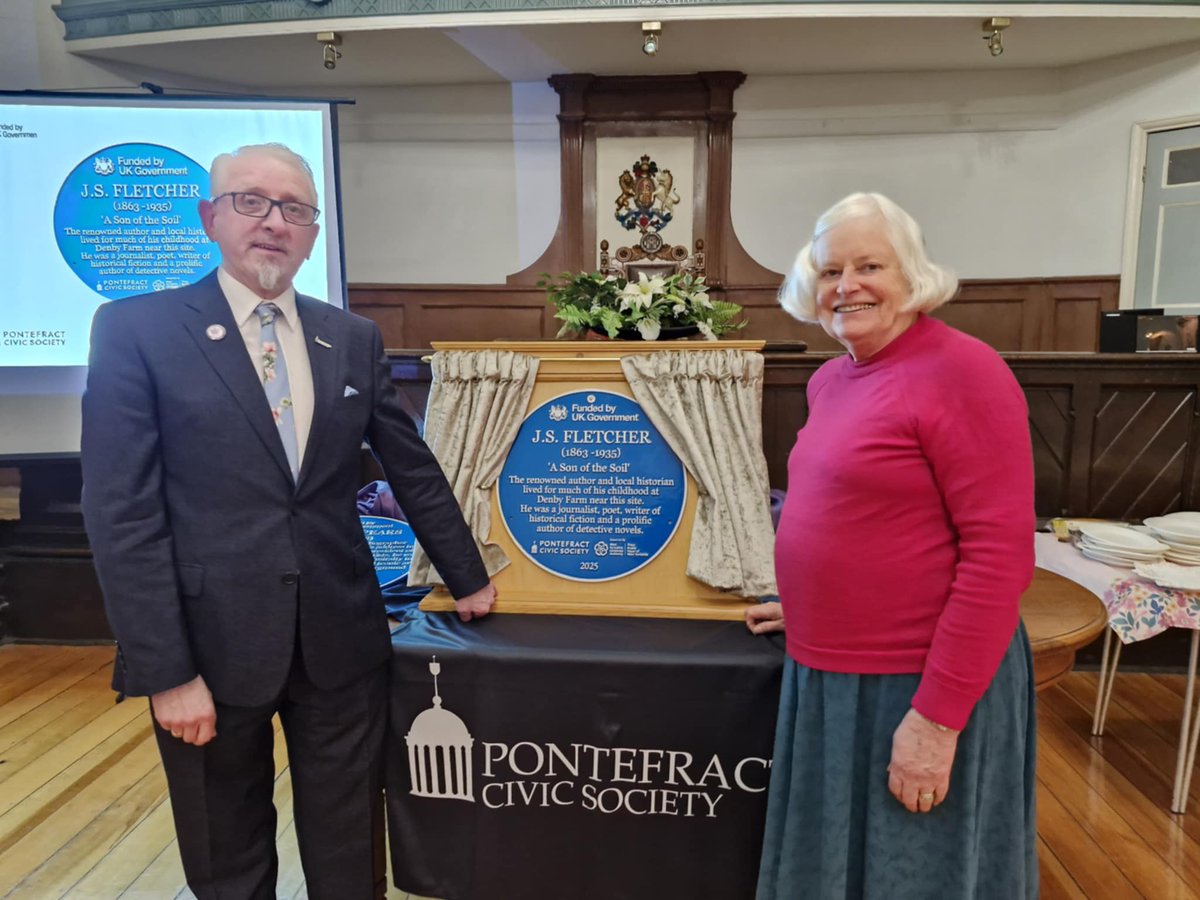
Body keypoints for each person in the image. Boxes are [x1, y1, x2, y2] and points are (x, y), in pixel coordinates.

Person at [81, 143, 497, 900]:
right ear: (210, 217)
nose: (273, 223)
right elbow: (121, 515)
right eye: (251, 202)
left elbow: (412, 468)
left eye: (295, 210)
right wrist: (166, 672)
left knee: (348, 848)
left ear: (312, 234)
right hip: (208, 651)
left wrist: (467, 577)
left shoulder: (353, 338)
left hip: (341, 641)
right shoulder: (135, 330)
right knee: (227, 853)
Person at [753, 193, 1037, 899]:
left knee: (914, 876)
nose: (845, 285)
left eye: (869, 265)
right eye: (829, 271)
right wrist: (815, 606)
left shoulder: (964, 371)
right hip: (830, 670)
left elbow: (998, 557)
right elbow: (863, 516)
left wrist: (937, 723)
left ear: (912, 276)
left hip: (917, 682)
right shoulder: (829, 380)